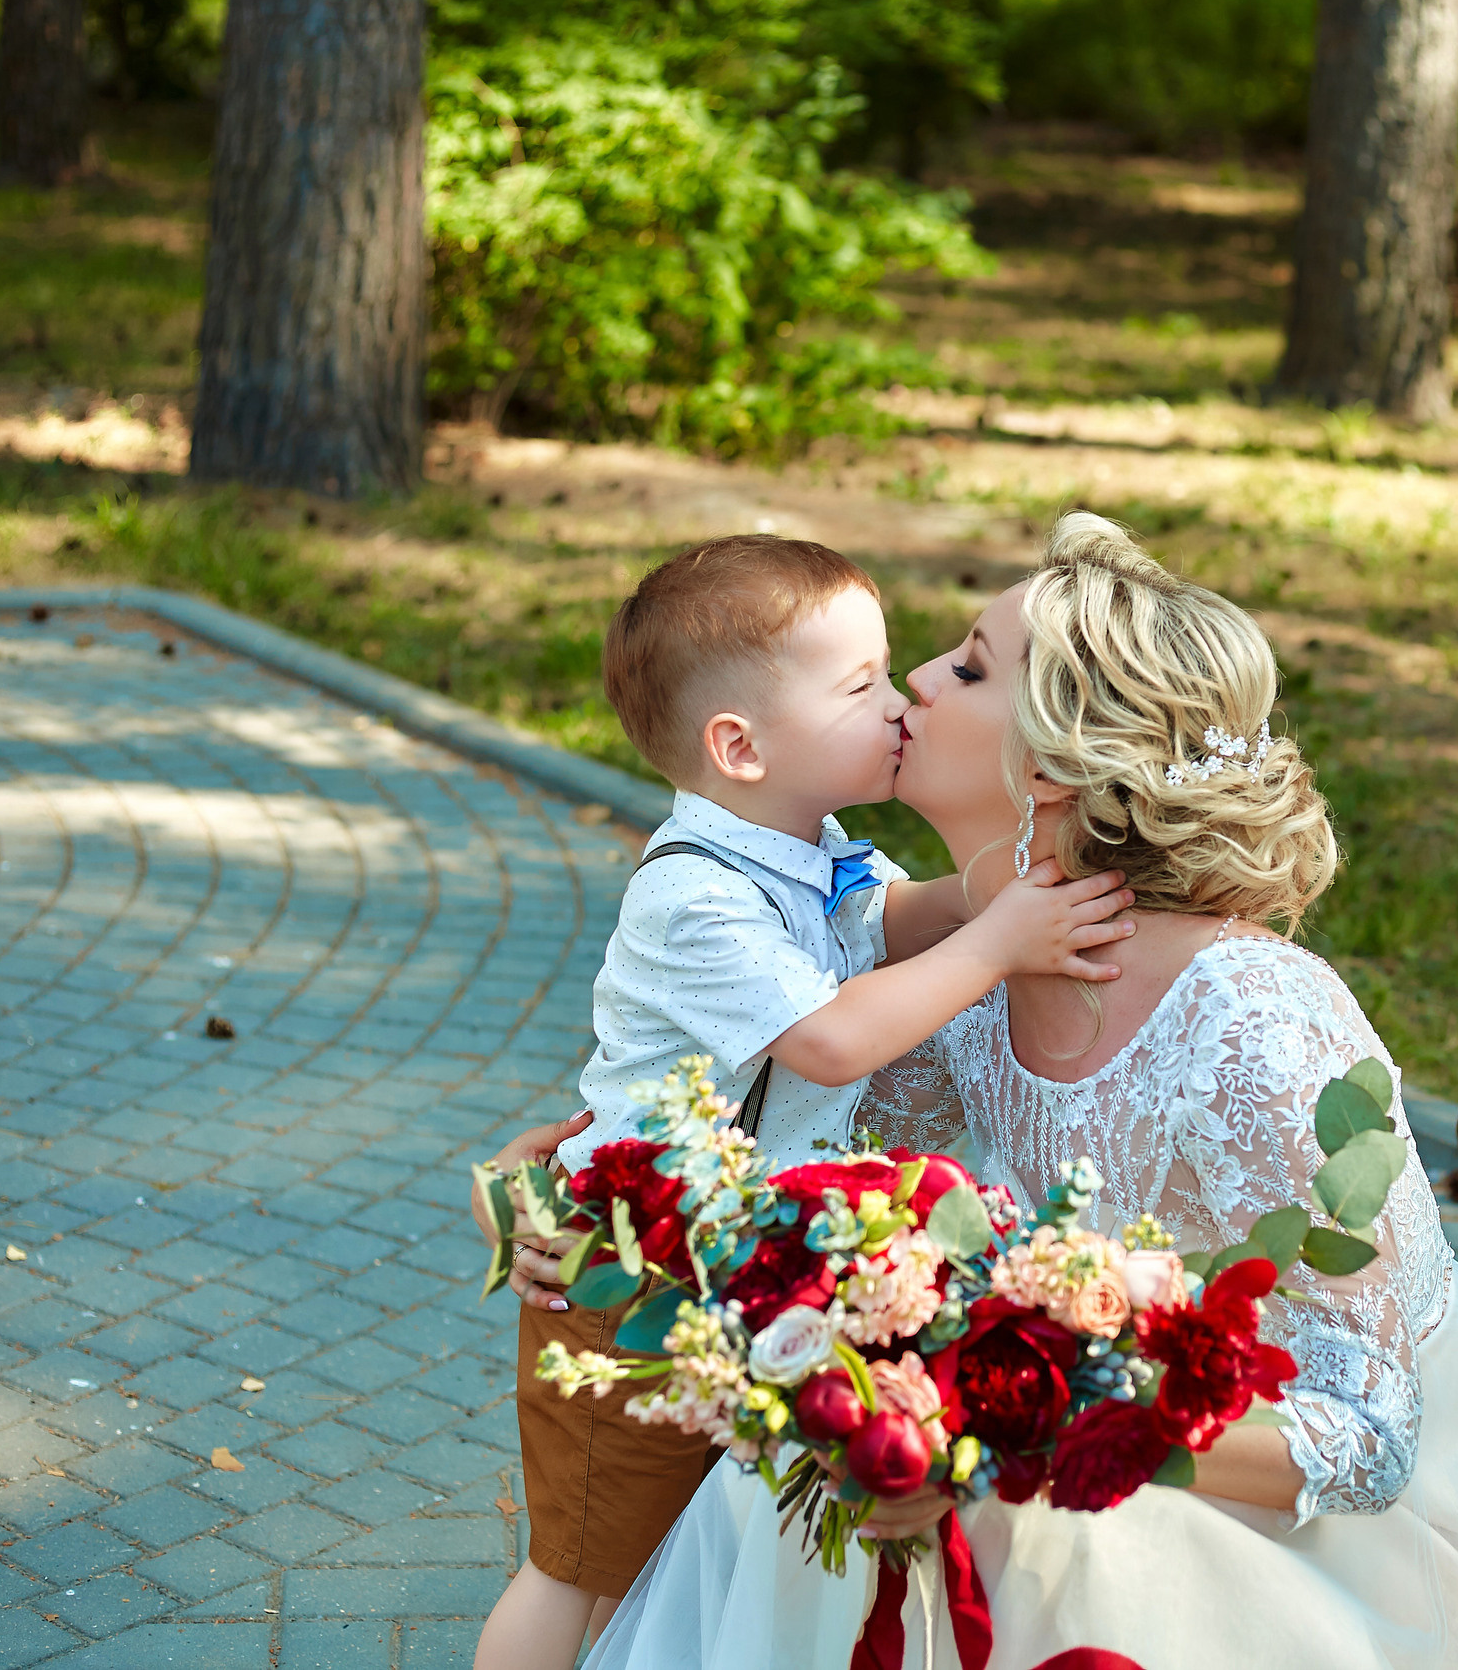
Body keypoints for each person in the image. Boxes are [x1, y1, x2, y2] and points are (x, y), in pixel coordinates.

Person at [585, 515, 1458, 1670]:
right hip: (1077, 1397)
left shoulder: (1257, 1017)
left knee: (1026, 1521)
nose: (916, 679)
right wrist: (602, 1197)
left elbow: (1366, 1442)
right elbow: (824, 1182)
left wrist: (1019, 1425)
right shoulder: (966, 966)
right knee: (829, 1461)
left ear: (1052, 767)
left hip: (1328, 1524)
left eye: (969, 666)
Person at [471, 535, 1138, 1670]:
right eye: (860, 685)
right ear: (739, 748)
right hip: (622, 1270)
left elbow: (894, 920)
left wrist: (1031, 878)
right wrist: (998, 943)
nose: (899, 699)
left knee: (668, 1546)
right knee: (586, 1562)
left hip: (717, 1262)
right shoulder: (695, 893)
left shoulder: (811, 845)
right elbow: (830, 1042)